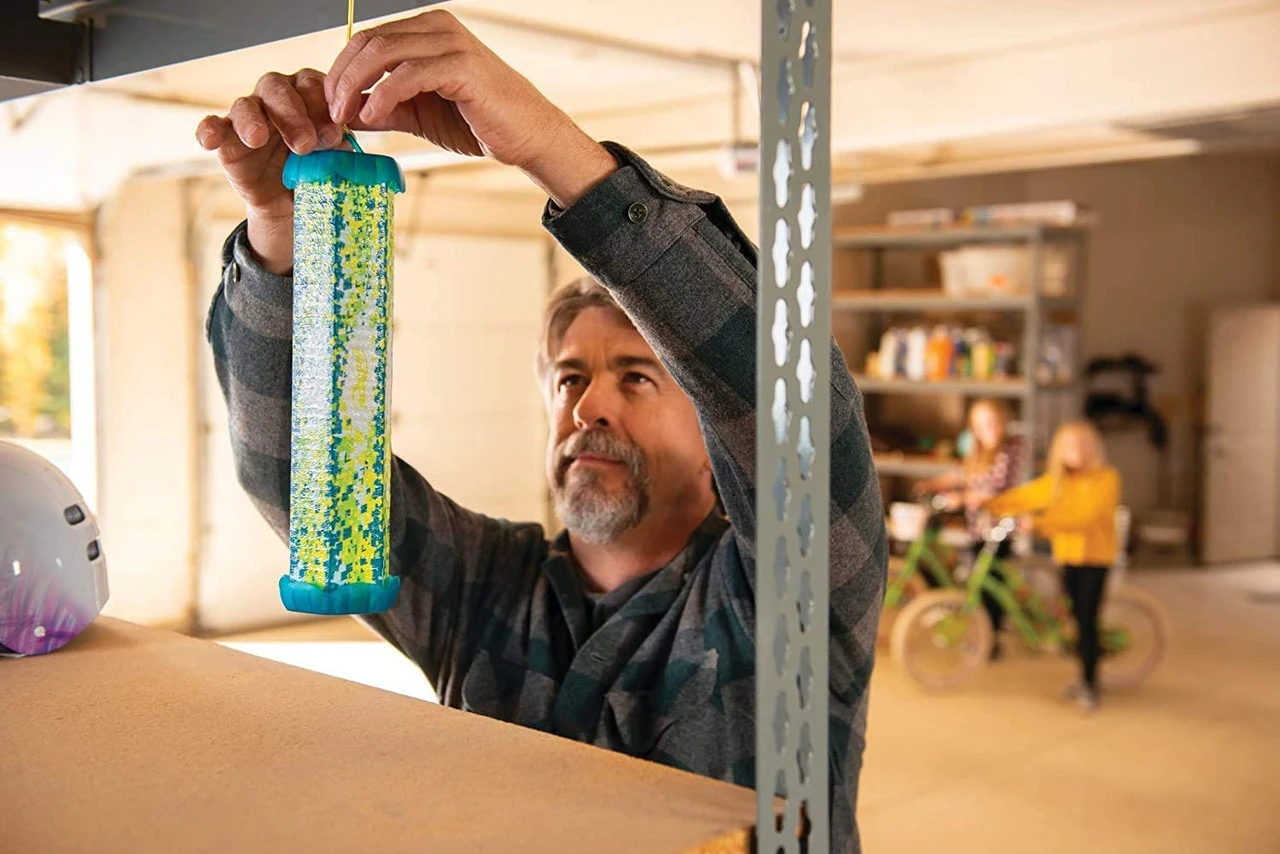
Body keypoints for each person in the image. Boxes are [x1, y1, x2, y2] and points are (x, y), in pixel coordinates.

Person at [197, 10, 886, 852]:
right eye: (570, 378)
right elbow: (295, 473)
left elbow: (800, 423)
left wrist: (553, 150)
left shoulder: (780, 606)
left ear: (719, 435)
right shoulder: (480, 585)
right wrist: (282, 229)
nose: (588, 407)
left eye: (636, 377)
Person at [986, 420, 1120, 712]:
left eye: (1083, 444)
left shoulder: (1106, 478)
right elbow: (1025, 496)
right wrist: (987, 503)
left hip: (1095, 560)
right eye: (1070, 445)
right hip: (1067, 557)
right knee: (1071, 615)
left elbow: (1084, 518)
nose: (1077, 450)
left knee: (1086, 619)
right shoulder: (1058, 480)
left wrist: (1039, 524)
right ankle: (1082, 670)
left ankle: (1090, 685)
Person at [915, 399, 1023, 658]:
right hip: (978, 529)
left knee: (988, 586)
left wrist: (961, 498)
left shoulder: (1008, 452)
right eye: (981, 424)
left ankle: (991, 638)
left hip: (998, 530)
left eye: (992, 422)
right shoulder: (977, 454)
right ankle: (983, 632)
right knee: (977, 580)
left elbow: (995, 489)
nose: (988, 429)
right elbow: (961, 474)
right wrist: (932, 484)